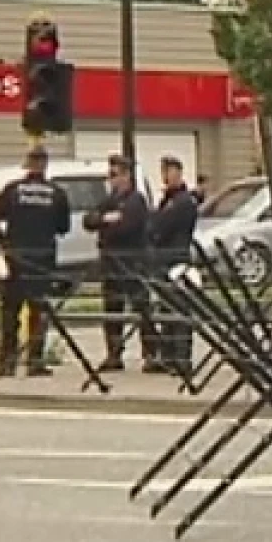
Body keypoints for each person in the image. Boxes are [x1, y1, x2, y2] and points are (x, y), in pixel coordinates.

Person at [0, 145, 70, 378]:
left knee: (10, 310)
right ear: (45, 165)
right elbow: (64, 228)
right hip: (42, 260)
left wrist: (4, 243)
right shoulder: (56, 193)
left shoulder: (13, 190)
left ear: (28, 164)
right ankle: (35, 361)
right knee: (38, 310)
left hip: (16, 258)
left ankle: (6, 362)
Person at [83, 153, 155, 372]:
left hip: (132, 262)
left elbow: (127, 226)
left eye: (115, 175)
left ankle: (152, 353)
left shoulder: (136, 200)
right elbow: (89, 220)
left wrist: (109, 222)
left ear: (127, 175)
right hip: (111, 262)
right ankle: (114, 354)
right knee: (112, 309)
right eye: (110, 175)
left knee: (141, 307)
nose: (112, 180)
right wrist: (106, 219)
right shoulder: (111, 200)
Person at [147, 154, 200, 375]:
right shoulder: (167, 200)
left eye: (169, 172)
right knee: (166, 311)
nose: (166, 177)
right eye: (164, 172)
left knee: (179, 312)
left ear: (179, 173)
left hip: (177, 261)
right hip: (163, 260)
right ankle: (168, 357)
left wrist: (155, 226)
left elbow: (161, 226)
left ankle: (182, 359)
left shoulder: (183, 202)